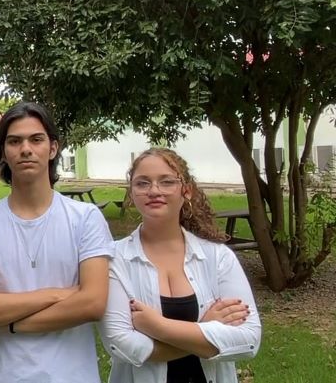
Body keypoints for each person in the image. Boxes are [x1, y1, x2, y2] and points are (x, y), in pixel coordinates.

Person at [0, 101, 114, 383]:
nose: (26, 149)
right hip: (8, 376)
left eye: (36, 139)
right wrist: (60, 294)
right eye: (14, 141)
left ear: (53, 148)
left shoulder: (85, 218)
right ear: (4, 153)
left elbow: (93, 302)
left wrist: (9, 321)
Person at [99, 148, 261, 383]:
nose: (154, 191)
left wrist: (159, 327)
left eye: (166, 182)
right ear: (131, 194)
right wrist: (204, 328)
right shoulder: (114, 259)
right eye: (142, 183)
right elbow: (122, 345)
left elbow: (248, 340)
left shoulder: (217, 257)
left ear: (186, 190)